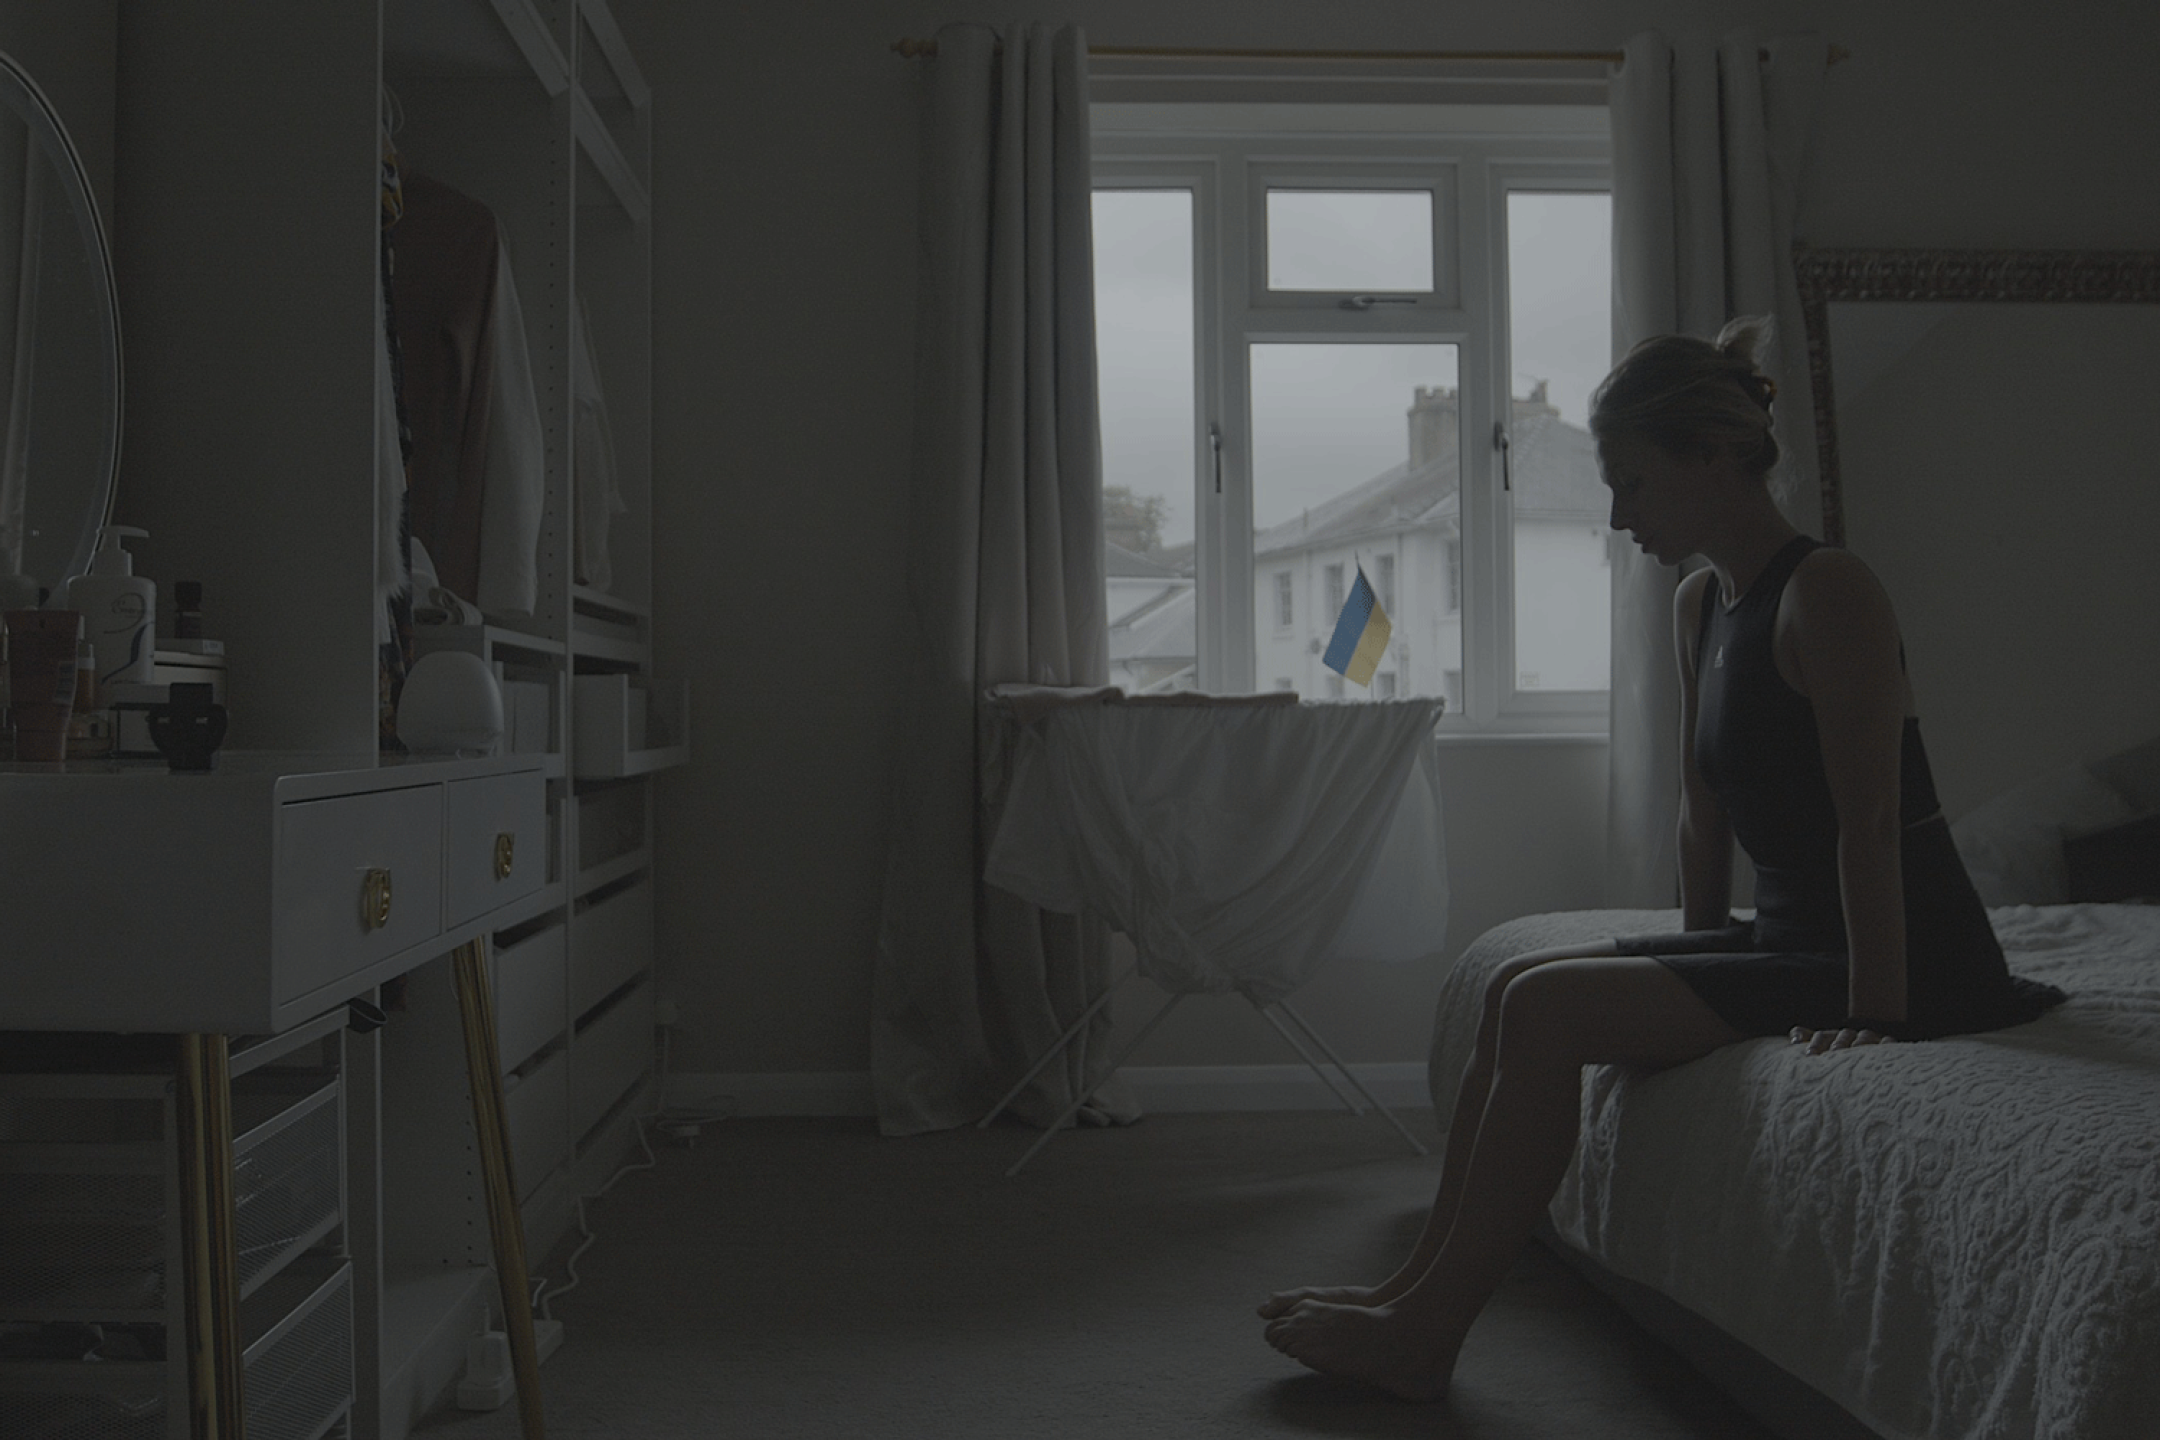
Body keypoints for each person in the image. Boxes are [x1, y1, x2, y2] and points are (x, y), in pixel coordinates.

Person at [1256, 317, 2064, 1401]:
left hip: (1908, 953)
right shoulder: (1699, 603)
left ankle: (1430, 1331)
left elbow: (1871, 823)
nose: (1616, 516)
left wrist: (1879, 1011)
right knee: (1517, 987)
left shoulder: (1832, 590)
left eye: (1634, 484)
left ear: (1715, 459)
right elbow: (1702, 811)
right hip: (1788, 937)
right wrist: (1686, 972)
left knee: (1547, 1013)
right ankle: (1411, 1290)